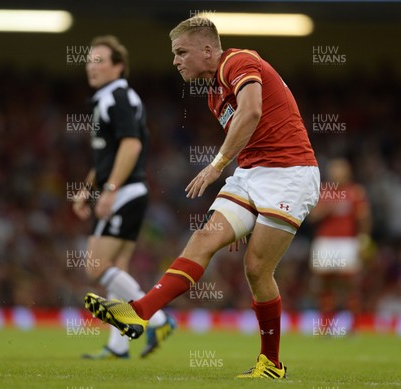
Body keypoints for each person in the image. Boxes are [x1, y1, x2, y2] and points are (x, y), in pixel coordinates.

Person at [85, 18, 319, 379]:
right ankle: (138, 313)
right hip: (252, 173)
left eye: (182, 52)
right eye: (174, 54)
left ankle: (271, 364)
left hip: (289, 174)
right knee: (203, 238)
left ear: (208, 50)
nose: (176, 61)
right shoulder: (212, 93)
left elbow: (252, 112)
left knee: (257, 268)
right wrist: (244, 208)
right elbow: (250, 134)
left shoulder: (238, 62)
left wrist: (216, 166)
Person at [73, 35, 174, 360]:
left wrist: (110, 191)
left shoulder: (116, 96)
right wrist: (88, 190)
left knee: (94, 266)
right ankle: (119, 346)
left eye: (100, 59)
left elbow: (131, 145)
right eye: (89, 59)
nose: (92, 65)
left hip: (125, 191)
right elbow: (110, 154)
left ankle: (157, 318)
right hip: (129, 190)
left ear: (118, 66)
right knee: (117, 267)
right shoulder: (109, 98)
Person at [309, 158, 371, 336]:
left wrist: (364, 238)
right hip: (326, 241)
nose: (337, 173)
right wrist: (327, 208)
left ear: (348, 172)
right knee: (325, 284)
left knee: (350, 284)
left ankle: (354, 326)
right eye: (334, 170)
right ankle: (325, 326)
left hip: (347, 242)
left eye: (341, 170)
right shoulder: (324, 192)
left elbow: (364, 218)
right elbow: (312, 217)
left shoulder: (356, 192)